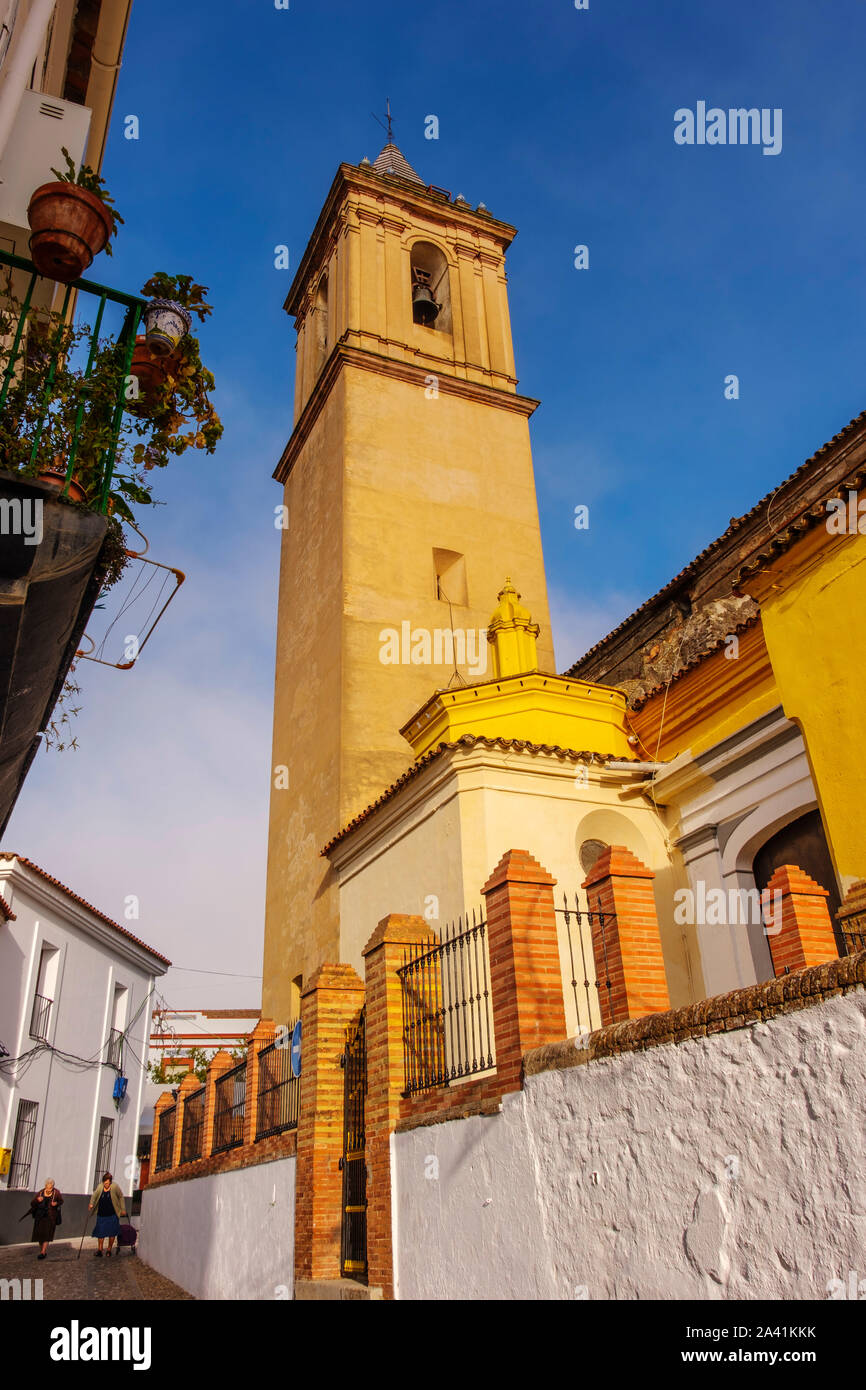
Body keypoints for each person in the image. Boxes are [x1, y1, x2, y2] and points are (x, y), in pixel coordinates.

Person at [88, 1171, 127, 1257]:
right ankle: (100, 1249)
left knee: (112, 1233)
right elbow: (94, 1195)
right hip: (101, 1214)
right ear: (103, 1181)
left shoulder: (115, 1186)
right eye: (105, 1183)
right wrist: (91, 1204)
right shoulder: (100, 1186)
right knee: (100, 1233)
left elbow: (121, 1196)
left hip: (113, 1214)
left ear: (110, 1182)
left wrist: (123, 1209)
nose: (107, 1185)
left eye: (108, 1183)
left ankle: (109, 1250)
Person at [30, 1178, 63, 1259]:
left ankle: (43, 1252)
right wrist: (37, 1200)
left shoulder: (56, 1192)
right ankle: (42, 1250)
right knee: (40, 1236)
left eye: (51, 1188)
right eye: (48, 1188)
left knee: (47, 1235)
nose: (49, 1190)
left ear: (53, 1187)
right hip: (40, 1217)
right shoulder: (41, 1192)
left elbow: (61, 1201)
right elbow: (32, 1203)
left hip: (50, 1217)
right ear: (45, 1186)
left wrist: (56, 1203)